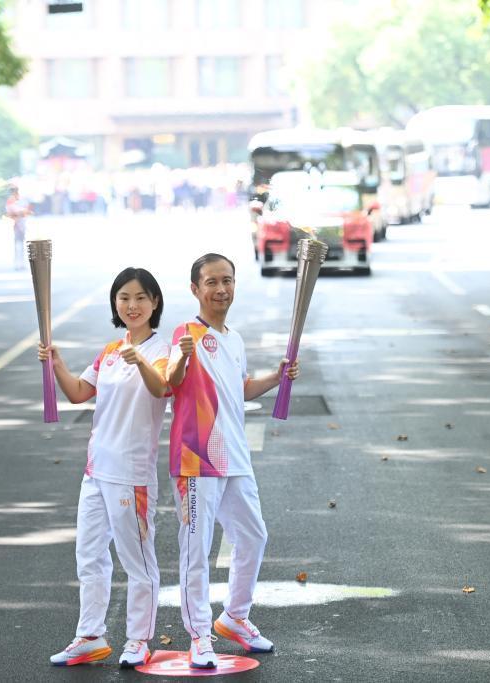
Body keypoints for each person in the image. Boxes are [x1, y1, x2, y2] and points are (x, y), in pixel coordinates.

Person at [165, 253, 299, 669]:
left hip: (234, 456)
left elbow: (238, 388)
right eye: (211, 282)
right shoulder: (186, 333)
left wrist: (276, 378)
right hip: (197, 457)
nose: (221, 289)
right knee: (196, 549)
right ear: (195, 289)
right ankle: (199, 635)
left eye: (227, 281)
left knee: (253, 536)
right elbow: (170, 381)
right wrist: (181, 357)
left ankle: (235, 617)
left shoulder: (234, 339)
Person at [42, 268, 169, 669]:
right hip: (96, 470)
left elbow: (162, 386)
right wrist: (57, 364)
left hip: (131, 474)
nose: (132, 305)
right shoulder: (111, 350)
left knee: (137, 560)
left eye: (141, 297)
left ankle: (139, 639)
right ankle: (90, 635)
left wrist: (140, 360)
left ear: (154, 303)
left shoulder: (162, 350)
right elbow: (79, 393)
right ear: (115, 303)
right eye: (124, 298)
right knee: (89, 555)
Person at [6, 187, 31, 270]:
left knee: (22, 244)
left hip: (22, 224)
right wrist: (17, 215)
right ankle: (16, 263)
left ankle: (22, 263)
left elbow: (27, 211)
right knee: (16, 244)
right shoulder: (10, 201)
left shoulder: (22, 200)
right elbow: (9, 213)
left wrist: (22, 213)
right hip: (15, 225)